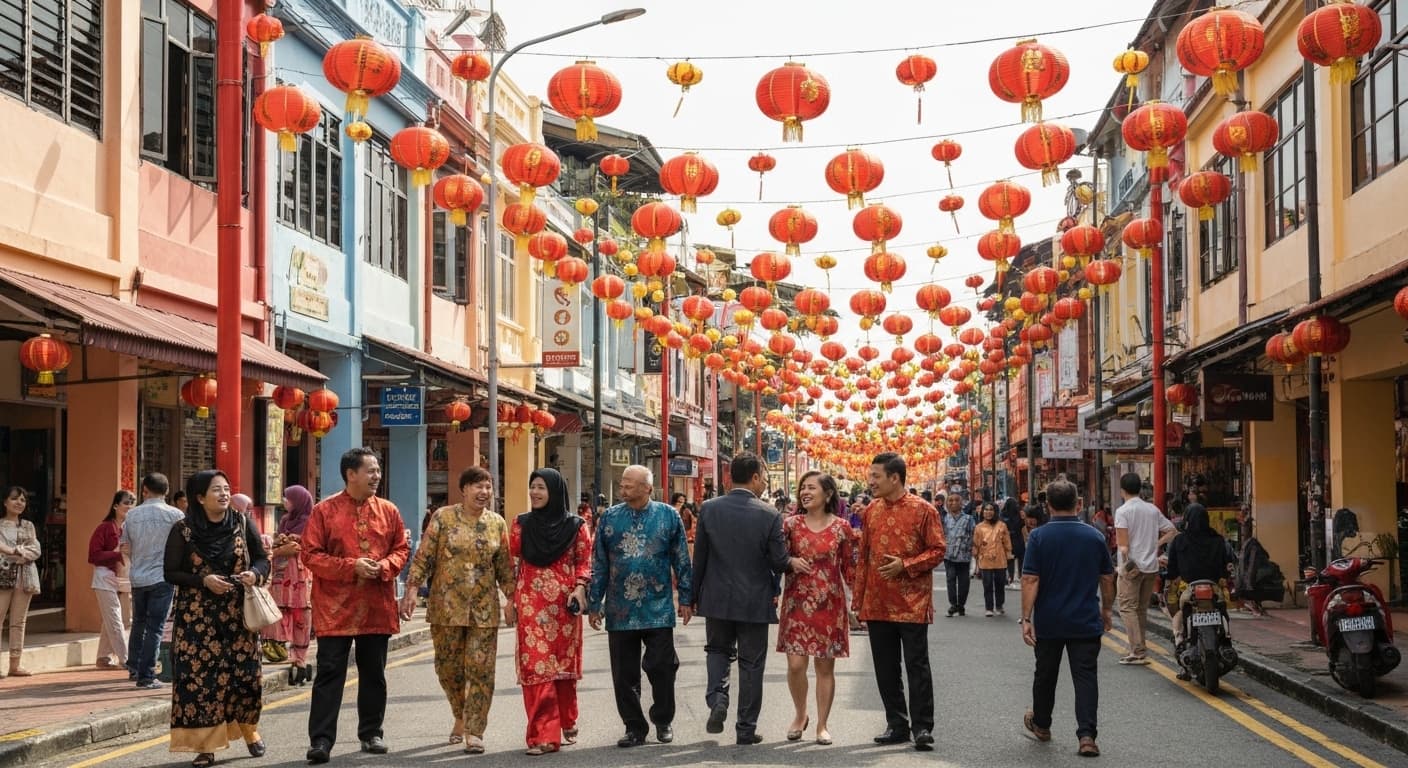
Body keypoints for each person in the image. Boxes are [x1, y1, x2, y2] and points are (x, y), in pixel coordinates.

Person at [303, 448, 410, 764]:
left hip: (377, 605)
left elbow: (401, 549)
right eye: (371, 470)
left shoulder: (389, 511)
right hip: (334, 609)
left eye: (378, 470)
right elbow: (310, 555)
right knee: (329, 673)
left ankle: (371, 732)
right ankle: (321, 740)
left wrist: (385, 566)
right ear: (351, 474)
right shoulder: (324, 511)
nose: (377, 476)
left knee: (374, 673)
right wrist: (352, 566)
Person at [400, 466, 516, 755]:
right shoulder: (443, 518)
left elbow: (504, 566)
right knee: (448, 669)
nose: (483, 492)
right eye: (477, 486)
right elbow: (424, 555)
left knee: (482, 670)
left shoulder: (497, 523)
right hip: (446, 607)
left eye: (488, 487)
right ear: (463, 490)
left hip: (484, 610)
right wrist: (411, 590)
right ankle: (460, 714)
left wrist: (512, 599)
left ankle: (475, 730)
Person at [163, 470, 271, 766]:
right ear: (199, 497)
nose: (224, 494)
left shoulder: (241, 522)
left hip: (239, 617)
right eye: (216, 490)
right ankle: (206, 746)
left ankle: (249, 730)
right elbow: (170, 572)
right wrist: (203, 581)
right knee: (201, 683)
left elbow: (262, 559)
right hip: (198, 620)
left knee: (245, 678)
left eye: (226, 489)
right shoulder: (183, 530)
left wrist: (255, 574)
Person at [692, 454, 795, 746]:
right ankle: (746, 728)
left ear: (729, 478)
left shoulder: (709, 509)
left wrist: (691, 596)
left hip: (716, 598)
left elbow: (699, 558)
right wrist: (792, 562)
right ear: (753, 478)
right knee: (751, 664)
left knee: (717, 650)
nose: (764, 483)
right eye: (762, 477)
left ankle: (717, 698)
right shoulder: (769, 514)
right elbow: (778, 562)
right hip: (755, 600)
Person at [587, 465, 692, 749]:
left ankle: (663, 719)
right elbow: (598, 563)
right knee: (624, 673)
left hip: (657, 607)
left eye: (630, 485)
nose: (624, 489)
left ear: (648, 487)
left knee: (662, 667)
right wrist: (594, 602)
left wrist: (685, 598)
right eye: (622, 484)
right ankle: (634, 727)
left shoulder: (669, 516)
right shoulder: (609, 518)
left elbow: (682, 559)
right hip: (620, 609)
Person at [852, 453, 946, 751]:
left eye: (876, 476)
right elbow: (864, 557)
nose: (870, 482)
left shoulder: (924, 510)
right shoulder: (870, 512)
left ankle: (922, 727)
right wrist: (858, 601)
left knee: (917, 665)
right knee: (885, 667)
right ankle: (897, 723)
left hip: (912, 603)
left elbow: (937, 550)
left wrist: (905, 565)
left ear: (895, 478)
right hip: (877, 602)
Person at [1019, 479, 1115, 758]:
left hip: (1049, 621)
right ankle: (1087, 736)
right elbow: (1107, 577)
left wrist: (1026, 618)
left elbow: (1030, 578)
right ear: (1078, 504)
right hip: (1085, 619)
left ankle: (1042, 724)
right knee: (1085, 676)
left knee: (1045, 674)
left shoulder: (1039, 537)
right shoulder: (1094, 536)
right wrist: (1107, 610)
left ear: (1047, 505)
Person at [508, 468, 590, 755]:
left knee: (561, 670)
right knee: (537, 669)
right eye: (533, 487)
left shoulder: (577, 526)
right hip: (530, 604)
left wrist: (580, 587)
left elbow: (583, 562)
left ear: (555, 491)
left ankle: (567, 718)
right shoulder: (520, 524)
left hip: (563, 607)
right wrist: (509, 600)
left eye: (541, 487)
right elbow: (511, 563)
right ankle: (543, 735)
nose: (535, 492)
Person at [777, 470, 855, 746]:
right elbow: (776, 557)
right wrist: (790, 562)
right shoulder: (790, 525)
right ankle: (800, 714)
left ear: (828, 493)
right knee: (796, 664)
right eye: (803, 488)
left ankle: (822, 724)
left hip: (830, 606)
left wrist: (856, 601)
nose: (805, 492)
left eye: (811, 487)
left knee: (825, 667)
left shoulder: (842, 528)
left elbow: (850, 568)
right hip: (797, 603)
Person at [124, 473, 184, 689]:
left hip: (137, 576)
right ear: (167, 492)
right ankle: (147, 675)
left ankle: (134, 667)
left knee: (138, 623)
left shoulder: (132, 515)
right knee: (155, 627)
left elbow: (125, 545)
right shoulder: (175, 514)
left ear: (144, 490)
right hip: (162, 576)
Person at [1164, 503, 1236, 680]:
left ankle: (1180, 640)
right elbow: (1227, 566)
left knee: (1180, 612)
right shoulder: (1219, 540)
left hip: (1190, 588)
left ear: (1187, 520)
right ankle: (1226, 638)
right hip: (1213, 587)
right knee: (1222, 611)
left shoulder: (1179, 541)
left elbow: (1172, 571)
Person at [1114, 472, 1176, 665]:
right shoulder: (1151, 509)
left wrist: (1124, 566)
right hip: (1151, 567)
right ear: (1140, 489)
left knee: (1126, 607)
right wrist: (1155, 544)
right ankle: (1140, 648)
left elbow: (1123, 545)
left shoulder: (1123, 512)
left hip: (1132, 567)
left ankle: (1137, 650)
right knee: (1141, 608)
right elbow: (1173, 530)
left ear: (1122, 490)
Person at [263, 485, 315, 685]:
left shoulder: (311, 522)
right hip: (281, 577)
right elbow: (279, 546)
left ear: (298, 501)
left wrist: (294, 546)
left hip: (301, 578)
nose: (285, 502)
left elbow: (309, 547)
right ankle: (284, 652)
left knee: (302, 618)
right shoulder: (285, 520)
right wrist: (280, 545)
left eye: (288, 499)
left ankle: (300, 662)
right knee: (277, 615)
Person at [89, 490, 133, 674]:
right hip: (104, 577)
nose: (130, 506)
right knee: (115, 618)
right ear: (115, 506)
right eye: (126, 503)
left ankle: (103, 657)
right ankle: (126, 659)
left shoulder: (129, 528)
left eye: (133, 502)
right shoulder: (105, 528)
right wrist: (117, 552)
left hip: (123, 577)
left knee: (117, 618)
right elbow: (93, 555)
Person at [0, 486, 41, 677]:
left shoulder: (28, 526)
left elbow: (36, 550)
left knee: (19, 621)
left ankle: (15, 665)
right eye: (15, 499)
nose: (19, 503)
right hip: (2, 575)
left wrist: (15, 553)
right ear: (5, 502)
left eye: (23, 500)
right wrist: (20, 552)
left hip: (24, 577)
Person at [973, 501, 1013, 617]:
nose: (988, 512)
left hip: (1000, 559)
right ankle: (989, 607)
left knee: (1000, 583)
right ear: (982, 512)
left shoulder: (1002, 525)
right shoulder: (979, 527)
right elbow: (976, 545)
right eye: (986, 510)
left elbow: (1007, 542)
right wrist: (976, 561)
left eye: (991, 510)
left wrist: (1009, 554)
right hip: (985, 559)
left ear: (995, 511)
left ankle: (999, 605)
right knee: (987, 584)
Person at [940, 491, 975, 617]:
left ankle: (961, 605)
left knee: (964, 581)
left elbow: (973, 535)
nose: (953, 503)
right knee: (950, 579)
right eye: (950, 500)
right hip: (948, 555)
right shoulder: (944, 518)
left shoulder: (968, 519)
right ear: (947, 503)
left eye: (956, 500)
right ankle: (953, 604)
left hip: (964, 555)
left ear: (962, 503)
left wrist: (974, 549)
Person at [1001, 495, 1025, 590]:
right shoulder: (1018, 515)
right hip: (1018, 539)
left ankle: (1009, 578)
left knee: (1009, 560)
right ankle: (1020, 576)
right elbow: (1023, 526)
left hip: (1008, 539)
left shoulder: (1003, 515)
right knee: (1021, 559)